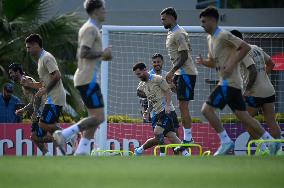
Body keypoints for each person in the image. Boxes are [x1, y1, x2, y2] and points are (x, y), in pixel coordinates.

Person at [196, 6, 277, 156]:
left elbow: (245, 47)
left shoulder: (224, 35)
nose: (202, 25)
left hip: (229, 83)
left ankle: (225, 140)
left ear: (213, 20)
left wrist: (232, 63)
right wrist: (204, 62)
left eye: (204, 21)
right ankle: (270, 141)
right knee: (244, 117)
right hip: (231, 84)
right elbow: (215, 62)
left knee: (206, 110)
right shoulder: (210, 38)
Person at [52, 0, 112, 155]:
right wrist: (102, 54)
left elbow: (89, 56)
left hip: (87, 78)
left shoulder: (92, 28)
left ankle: (81, 151)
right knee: (99, 117)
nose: (105, 11)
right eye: (103, 8)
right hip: (87, 79)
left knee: (95, 117)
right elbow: (83, 53)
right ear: (96, 10)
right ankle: (64, 134)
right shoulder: (90, 29)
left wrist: (104, 56)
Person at [230, 29, 282, 154]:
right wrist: (263, 77)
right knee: (271, 121)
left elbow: (252, 71)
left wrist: (247, 90)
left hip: (254, 92)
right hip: (269, 90)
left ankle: (263, 148)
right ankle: (279, 150)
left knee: (246, 120)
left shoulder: (242, 52)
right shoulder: (256, 48)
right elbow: (271, 63)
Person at [160, 7, 198, 149]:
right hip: (179, 74)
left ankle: (188, 139)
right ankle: (186, 138)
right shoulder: (173, 32)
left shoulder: (179, 33)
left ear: (171, 17)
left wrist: (171, 71)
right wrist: (173, 75)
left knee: (183, 106)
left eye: (164, 19)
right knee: (170, 92)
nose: (162, 22)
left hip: (186, 73)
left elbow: (184, 56)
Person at [133, 62, 189, 156]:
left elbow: (168, 91)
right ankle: (187, 155)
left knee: (158, 132)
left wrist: (167, 106)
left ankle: (158, 154)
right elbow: (151, 99)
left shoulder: (157, 78)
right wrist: (147, 111)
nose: (138, 76)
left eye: (139, 73)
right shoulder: (144, 84)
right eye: (136, 75)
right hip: (156, 113)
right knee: (171, 136)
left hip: (165, 111)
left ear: (145, 69)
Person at [24, 33, 67, 154]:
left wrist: (46, 90)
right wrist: (30, 85)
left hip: (55, 97)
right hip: (50, 98)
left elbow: (57, 75)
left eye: (28, 47)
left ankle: (68, 136)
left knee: (43, 124)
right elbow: (44, 83)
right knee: (36, 136)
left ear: (36, 45)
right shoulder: (40, 60)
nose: (28, 50)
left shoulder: (46, 57)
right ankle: (65, 145)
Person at [8, 63, 52, 156]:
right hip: (40, 110)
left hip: (41, 110)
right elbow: (34, 99)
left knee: (36, 137)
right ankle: (47, 154)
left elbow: (38, 96)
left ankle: (64, 137)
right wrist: (25, 110)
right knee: (34, 136)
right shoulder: (24, 81)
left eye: (11, 73)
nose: (10, 75)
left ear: (17, 72)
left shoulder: (25, 81)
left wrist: (34, 111)